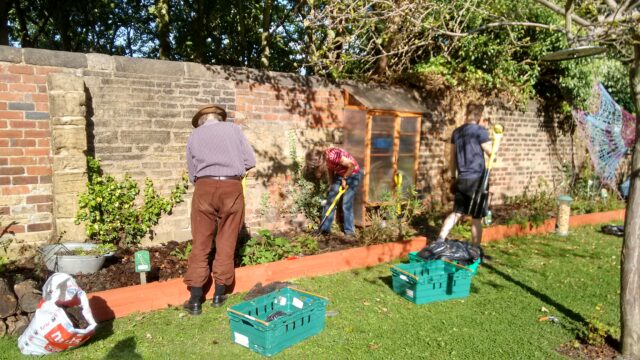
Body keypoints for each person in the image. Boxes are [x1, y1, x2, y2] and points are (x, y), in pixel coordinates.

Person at [183, 104, 256, 315]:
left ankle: (195, 297)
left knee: (201, 241)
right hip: (231, 187)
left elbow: (192, 172)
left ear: (201, 120)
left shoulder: (194, 136)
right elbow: (250, 161)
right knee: (227, 240)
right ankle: (219, 292)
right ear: (219, 118)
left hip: (204, 187)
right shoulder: (234, 130)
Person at [435, 103, 492, 246]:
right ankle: (475, 250)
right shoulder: (481, 132)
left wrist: (454, 177)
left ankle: (440, 239)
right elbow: (491, 153)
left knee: (457, 212)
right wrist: (496, 145)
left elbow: (452, 158)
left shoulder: (457, 132)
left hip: (462, 179)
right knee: (476, 217)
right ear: (480, 116)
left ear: (466, 114)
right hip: (477, 180)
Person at [305, 147, 362, 238]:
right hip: (340, 175)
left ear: (319, 161)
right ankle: (324, 229)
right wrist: (331, 184)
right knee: (330, 201)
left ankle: (350, 232)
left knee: (346, 203)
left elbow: (351, 165)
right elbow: (331, 169)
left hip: (352, 174)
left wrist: (345, 178)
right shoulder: (324, 159)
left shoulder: (333, 155)